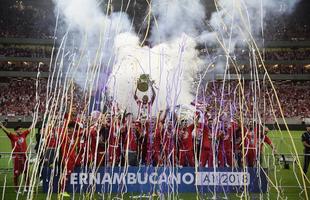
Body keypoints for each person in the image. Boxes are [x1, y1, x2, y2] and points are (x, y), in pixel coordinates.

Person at [0, 122, 35, 193]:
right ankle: (16, 189)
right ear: (15, 131)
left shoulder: (24, 134)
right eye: (19, 130)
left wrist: (34, 122)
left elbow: (30, 129)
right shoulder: (12, 136)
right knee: (16, 174)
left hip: (24, 156)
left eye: (21, 130)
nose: (21, 131)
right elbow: (7, 131)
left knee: (27, 172)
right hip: (16, 157)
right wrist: (1, 126)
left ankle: (27, 188)